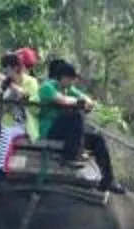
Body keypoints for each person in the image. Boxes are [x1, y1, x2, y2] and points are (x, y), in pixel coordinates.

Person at [35, 55, 118, 189]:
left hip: (69, 134)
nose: (72, 83)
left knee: (97, 138)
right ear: (63, 78)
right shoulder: (47, 87)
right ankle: (69, 156)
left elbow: (85, 98)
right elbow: (62, 100)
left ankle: (108, 180)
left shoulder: (68, 89)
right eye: (70, 79)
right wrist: (79, 102)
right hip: (50, 130)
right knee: (76, 115)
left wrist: (87, 102)